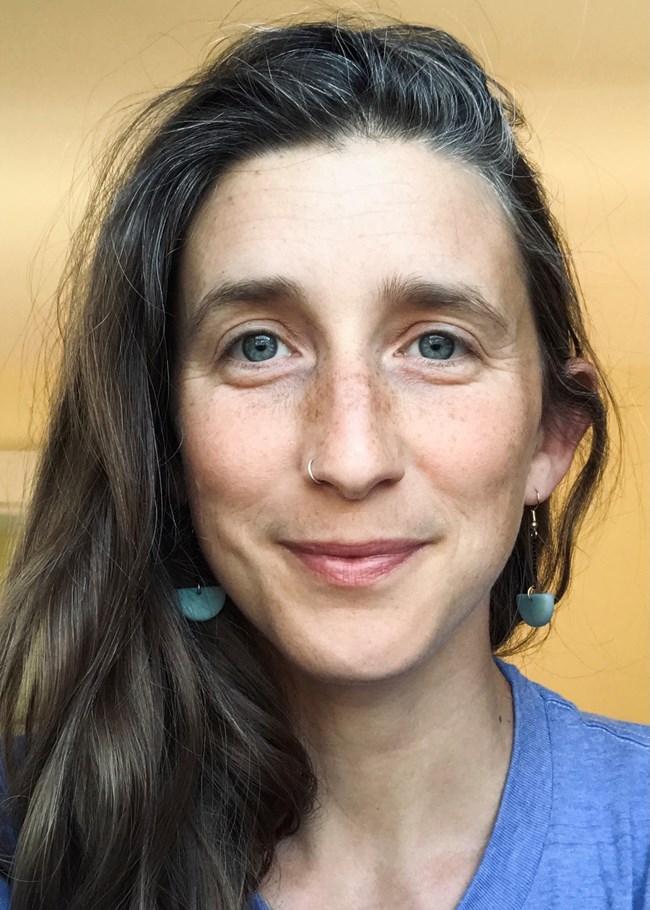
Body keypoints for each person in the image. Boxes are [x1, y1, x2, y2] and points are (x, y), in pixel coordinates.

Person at [0, 16, 647, 910]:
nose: (350, 457)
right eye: (260, 346)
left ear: (549, 439)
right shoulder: (29, 855)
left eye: (438, 345)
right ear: (166, 440)